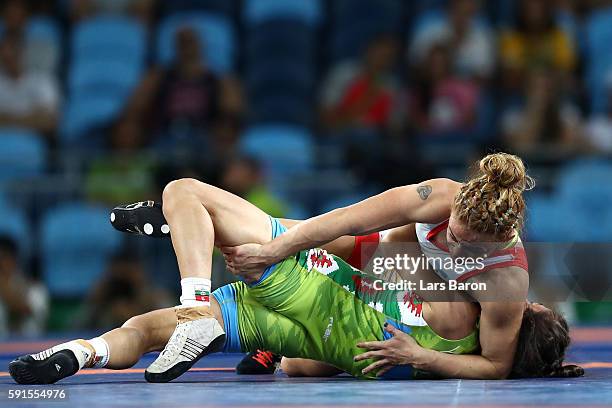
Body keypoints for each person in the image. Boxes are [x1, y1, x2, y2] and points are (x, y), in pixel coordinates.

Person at [0, 33, 60, 135]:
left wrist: (7, 119)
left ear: (22, 52)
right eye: (5, 55)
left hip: (33, 142)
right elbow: (41, 119)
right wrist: (31, 117)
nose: (9, 58)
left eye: (14, 53)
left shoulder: (42, 80)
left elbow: (50, 121)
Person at [0, 236, 48, 336]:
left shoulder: (34, 288)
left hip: (31, 345)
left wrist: (3, 288)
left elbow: (24, 309)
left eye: (3, 260)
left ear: (13, 260)